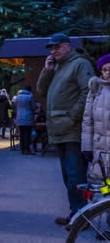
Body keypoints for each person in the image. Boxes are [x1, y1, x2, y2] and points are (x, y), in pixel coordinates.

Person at [37, 33, 94, 226]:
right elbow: (41, 90)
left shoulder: (80, 64)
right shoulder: (58, 66)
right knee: (68, 175)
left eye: (57, 47)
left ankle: (82, 216)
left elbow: (88, 91)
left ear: (68, 47)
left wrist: (72, 117)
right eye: (51, 48)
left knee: (75, 175)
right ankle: (76, 213)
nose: (53, 51)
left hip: (72, 130)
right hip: (59, 129)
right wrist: (47, 71)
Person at [82, 54, 110, 183]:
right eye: (105, 69)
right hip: (101, 148)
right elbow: (88, 121)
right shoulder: (95, 89)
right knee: (104, 185)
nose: (108, 72)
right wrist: (87, 147)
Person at [14, 86, 38, 155]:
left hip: (19, 117)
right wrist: (36, 107)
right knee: (27, 133)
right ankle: (27, 149)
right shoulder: (30, 96)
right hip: (28, 117)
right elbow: (34, 107)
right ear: (30, 90)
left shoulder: (18, 97)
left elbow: (15, 107)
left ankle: (22, 148)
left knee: (22, 133)